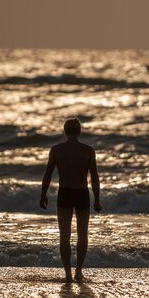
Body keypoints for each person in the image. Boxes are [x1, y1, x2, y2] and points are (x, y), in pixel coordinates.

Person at [39, 117, 101, 283]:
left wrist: (43, 194)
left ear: (65, 131)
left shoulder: (57, 150)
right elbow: (94, 177)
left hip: (65, 193)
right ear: (79, 131)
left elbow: (48, 174)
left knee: (64, 236)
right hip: (82, 193)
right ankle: (78, 271)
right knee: (82, 235)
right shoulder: (88, 150)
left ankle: (67, 273)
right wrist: (97, 199)